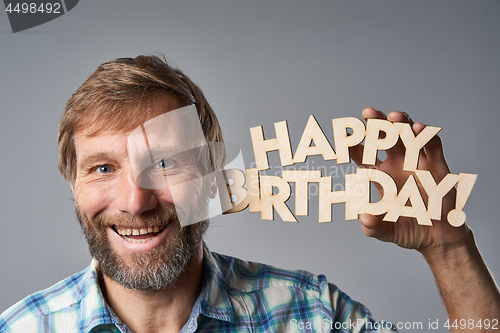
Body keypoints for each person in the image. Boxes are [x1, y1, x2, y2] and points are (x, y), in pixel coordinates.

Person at [0, 55, 498, 333]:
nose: (136, 201)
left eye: (168, 162)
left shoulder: (312, 315)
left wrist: (448, 249)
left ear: (214, 172)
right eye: (103, 167)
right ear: (74, 183)